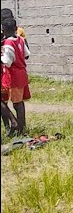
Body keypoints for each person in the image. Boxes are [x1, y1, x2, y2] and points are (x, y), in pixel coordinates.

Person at [1, 8, 31, 137]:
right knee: (19, 103)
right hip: (22, 73)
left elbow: (7, 62)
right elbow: (26, 54)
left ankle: (14, 124)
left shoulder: (7, 43)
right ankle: (21, 128)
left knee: (9, 102)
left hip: (12, 75)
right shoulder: (20, 39)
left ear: (3, 29)